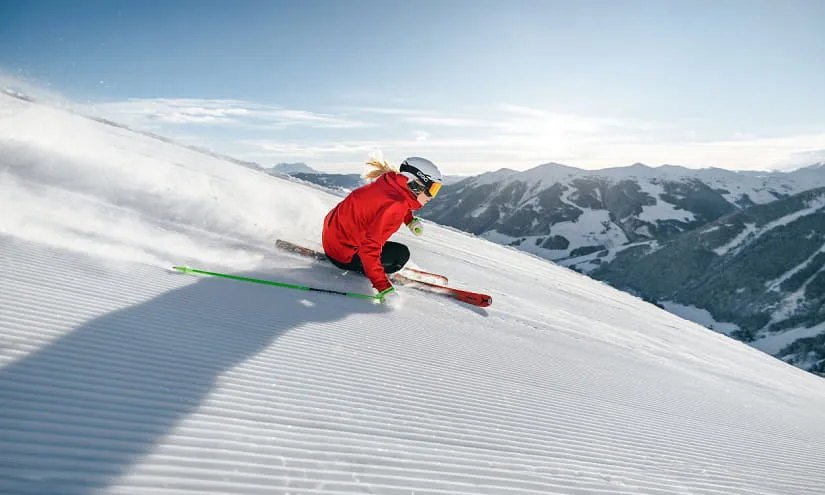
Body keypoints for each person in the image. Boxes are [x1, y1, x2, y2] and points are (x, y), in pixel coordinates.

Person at [322, 157, 443, 303]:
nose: (432, 196)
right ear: (416, 184)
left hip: (332, 240)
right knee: (400, 255)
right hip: (343, 257)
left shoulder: (388, 185)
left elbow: (393, 201)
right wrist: (383, 287)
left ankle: (354, 257)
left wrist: (410, 220)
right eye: (433, 189)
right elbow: (369, 248)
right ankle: (369, 268)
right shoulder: (396, 206)